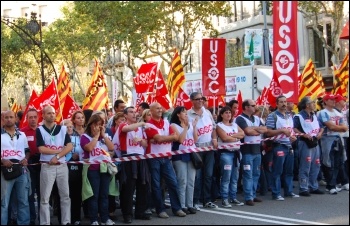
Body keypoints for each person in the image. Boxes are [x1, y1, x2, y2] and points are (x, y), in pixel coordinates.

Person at [144, 102, 186, 218]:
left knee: (173, 182)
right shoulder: (149, 125)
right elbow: (159, 138)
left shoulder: (166, 122)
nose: (159, 110)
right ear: (151, 111)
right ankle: (160, 209)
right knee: (156, 185)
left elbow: (176, 137)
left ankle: (177, 208)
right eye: (156, 108)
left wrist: (164, 138)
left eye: (160, 108)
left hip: (166, 158)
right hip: (154, 158)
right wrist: (169, 137)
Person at [36, 105, 73, 225]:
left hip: (61, 166)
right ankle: (45, 222)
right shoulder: (39, 130)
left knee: (65, 196)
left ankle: (66, 221)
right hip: (47, 166)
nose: (52, 115)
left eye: (53, 113)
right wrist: (58, 151)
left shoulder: (62, 129)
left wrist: (57, 156)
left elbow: (70, 146)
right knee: (45, 198)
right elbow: (41, 148)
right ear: (43, 115)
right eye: (49, 113)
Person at [81, 113, 116, 225]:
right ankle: (94, 219)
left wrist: (103, 135)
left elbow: (111, 147)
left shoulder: (103, 137)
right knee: (94, 195)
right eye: (96, 125)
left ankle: (105, 218)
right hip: (92, 169)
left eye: (100, 125)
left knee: (104, 195)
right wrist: (96, 137)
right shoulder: (85, 137)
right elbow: (89, 148)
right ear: (90, 125)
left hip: (104, 168)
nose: (98, 127)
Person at [118, 106, 151, 223]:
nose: (134, 114)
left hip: (140, 158)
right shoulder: (123, 125)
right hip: (128, 159)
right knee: (128, 188)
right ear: (125, 115)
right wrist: (141, 123)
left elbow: (146, 144)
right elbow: (126, 129)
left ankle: (140, 212)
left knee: (143, 186)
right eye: (131, 112)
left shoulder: (140, 129)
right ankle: (127, 214)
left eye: (135, 112)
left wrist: (142, 141)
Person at [188, 92, 218, 210]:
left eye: (202, 99)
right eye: (197, 99)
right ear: (192, 101)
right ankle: (195, 201)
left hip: (209, 148)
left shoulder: (208, 112)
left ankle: (207, 200)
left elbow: (214, 128)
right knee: (197, 176)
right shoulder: (188, 114)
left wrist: (214, 138)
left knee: (209, 175)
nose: (201, 101)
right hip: (196, 148)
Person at [265, 95, 299, 201]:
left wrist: (293, 137)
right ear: (277, 104)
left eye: (285, 101)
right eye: (281, 102)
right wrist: (281, 131)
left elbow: (291, 130)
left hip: (289, 146)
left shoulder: (289, 116)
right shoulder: (273, 116)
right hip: (279, 146)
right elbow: (268, 132)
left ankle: (288, 191)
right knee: (277, 171)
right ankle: (276, 193)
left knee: (289, 171)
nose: (284, 104)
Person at [236, 100, 267, 206]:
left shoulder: (257, 118)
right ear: (246, 107)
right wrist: (257, 130)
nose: (255, 107)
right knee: (248, 174)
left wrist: (254, 129)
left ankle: (253, 194)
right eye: (253, 106)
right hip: (246, 151)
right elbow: (247, 132)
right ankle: (248, 196)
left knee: (256, 173)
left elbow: (265, 129)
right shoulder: (240, 118)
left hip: (257, 150)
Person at [1, 110, 30, 225]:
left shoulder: (22, 135)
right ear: (3, 119)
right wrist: (2, 160)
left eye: (11, 117)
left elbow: (27, 151)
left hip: (21, 171)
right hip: (4, 172)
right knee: (4, 203)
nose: (9, 119)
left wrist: (26, 159)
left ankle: (23, 223)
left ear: (15, 119)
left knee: (23, 201)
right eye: (6, 117)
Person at [293, 96, 324, 197]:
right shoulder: (299, 116)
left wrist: (320, 133)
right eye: (312, 103)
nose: (314, 104)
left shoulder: (314, 115)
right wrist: (303, 134)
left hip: (315, 142)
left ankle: (313, 186)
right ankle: (303, 188)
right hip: (304, 142)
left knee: (316, 164)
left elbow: (321, 126)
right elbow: (294, 128)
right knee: (305, 165)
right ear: (307, 105)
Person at [170, 106, 198, 214]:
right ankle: (182, 205)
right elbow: (180, 140)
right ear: (178, 114)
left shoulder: (190, 125)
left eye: (187, 113)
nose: (186, 115)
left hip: (191, 154)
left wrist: (193, 127)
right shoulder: (173, 125)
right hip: (180, 155)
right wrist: (186, 127)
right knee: (182, 181)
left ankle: (189, 204)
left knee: (191, 181)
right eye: (184, 113)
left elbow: (195, 139)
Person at [318, 94, 349, 194]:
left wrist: (339, 127)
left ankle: (334, 183)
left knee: (338, 162)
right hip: (327, 139)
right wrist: (340, 127)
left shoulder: (337, 112)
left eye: (334, 100)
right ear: (325, 101)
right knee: (328, 162)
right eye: (331, 100)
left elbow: (344, 126)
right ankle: (330, 185)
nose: (334, 101)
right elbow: (331, 127)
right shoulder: (323, 113)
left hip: (338, 138)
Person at [216, 106, 245, 208]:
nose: (228, 114)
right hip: (226, 153)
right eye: (226, 112)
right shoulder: (219, 126)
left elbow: (242, 134)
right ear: (222, 115)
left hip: (236, 152)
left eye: (229, 113)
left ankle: (233, 197)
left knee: (234, 177)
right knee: (226, 177)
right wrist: (235, 137)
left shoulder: (234, 124)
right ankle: (224, 199)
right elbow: (224, 138)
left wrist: (232, 137)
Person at [62, 117, 84, 225]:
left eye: (71, 126)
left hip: (77, 169)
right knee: (65, 194)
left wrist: (78, 155)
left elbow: (82, 150)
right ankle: (65, 218)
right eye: (67, 127)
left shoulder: (78, 138)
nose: (69, 128)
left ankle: (76, 218)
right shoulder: (59, 138)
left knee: (76, 194)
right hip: (64, 168)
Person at [21, 108, 40, 225]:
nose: (33, 119)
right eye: (30, 117)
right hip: (29, 165)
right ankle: (32, 218)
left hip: (43, 164)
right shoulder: (22, 132)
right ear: (27, 119)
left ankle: (44, 219)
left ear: (38, 118)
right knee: (30, 194)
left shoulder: (42, 130)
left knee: (43, 194)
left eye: (34, 117)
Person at [334, 94, 349, 191]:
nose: (345, 102)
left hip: (344, 137)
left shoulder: (342, 112)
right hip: (338, 137)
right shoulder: (334, 113)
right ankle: (339, 181)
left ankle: (342, 180)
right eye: (343, 100)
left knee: (343, 159)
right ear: (338, 102)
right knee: (338, 160)